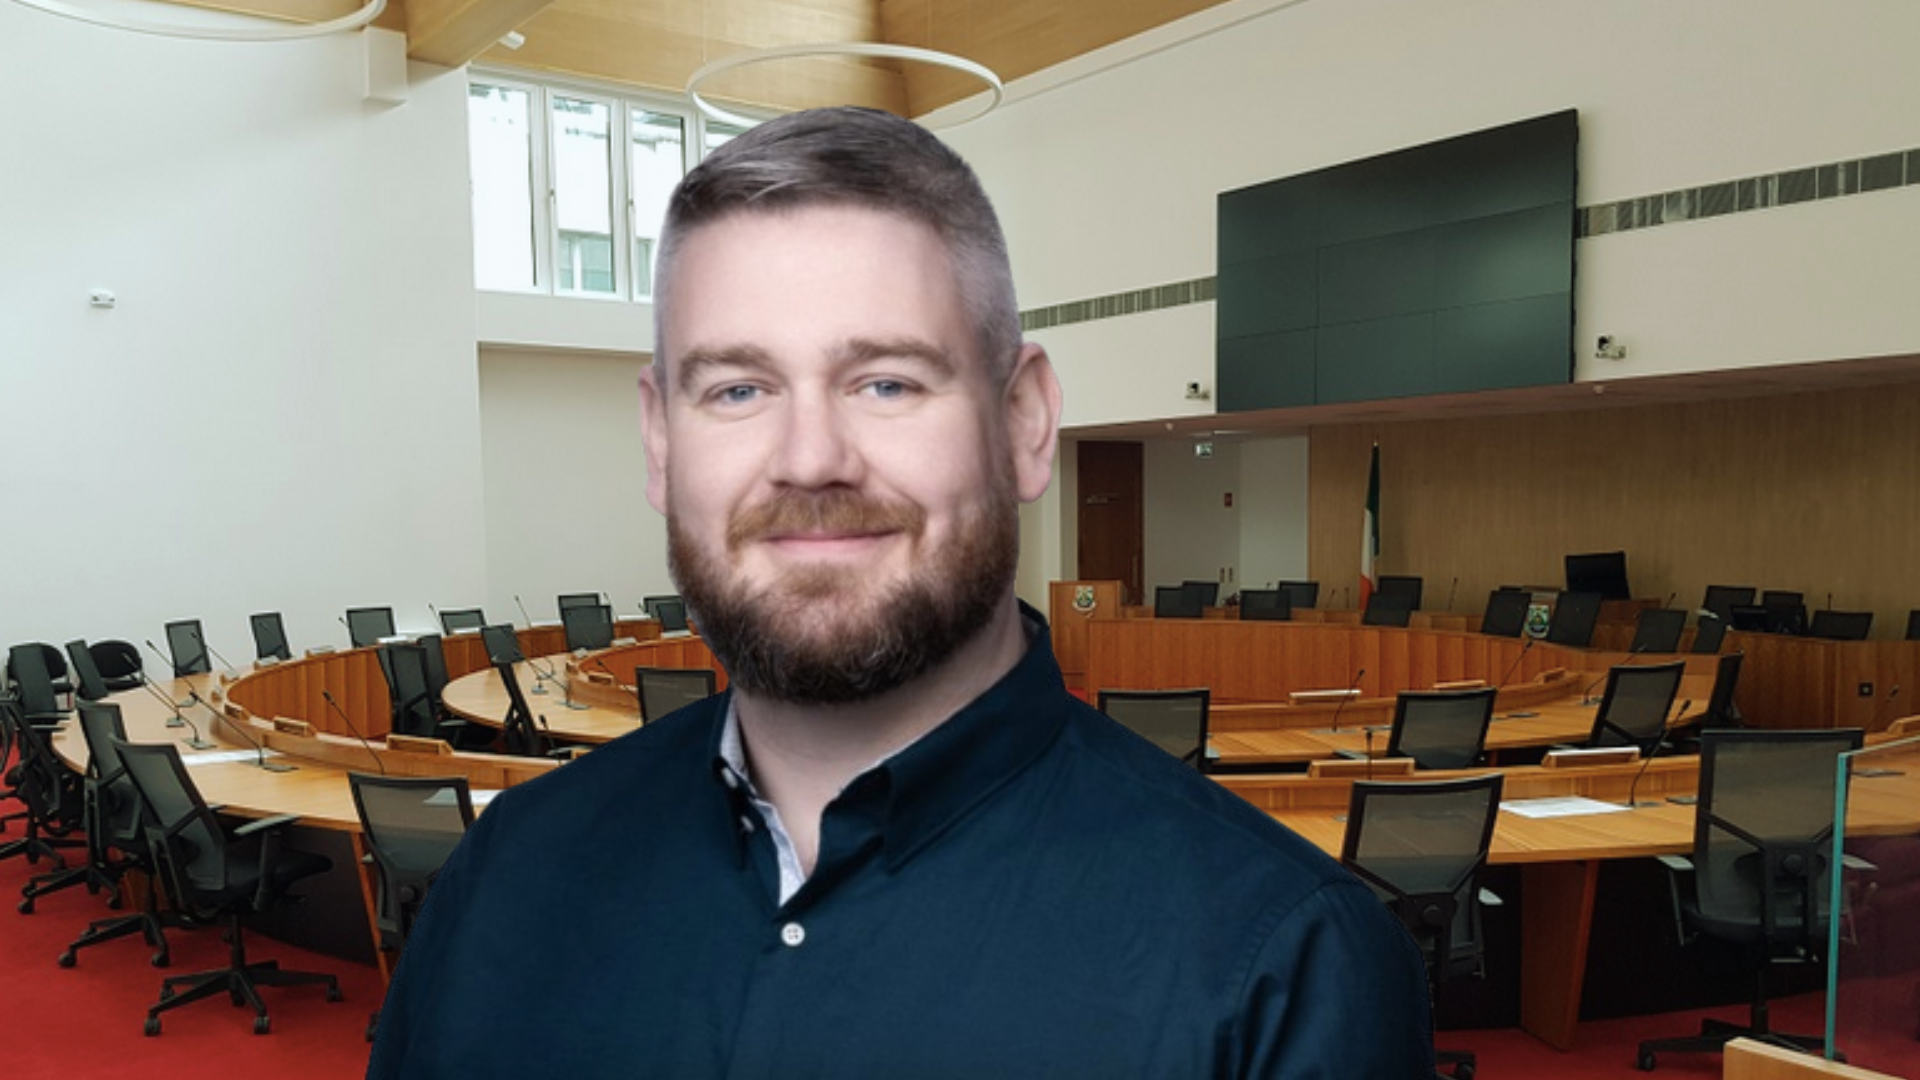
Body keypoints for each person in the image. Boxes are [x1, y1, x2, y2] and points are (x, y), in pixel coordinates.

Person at [369, 106, 1433, 1078]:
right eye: (738, 389)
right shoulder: (508, 872)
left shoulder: (1281, 967)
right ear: (660, 441)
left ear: (1023, 420)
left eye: (886, 382)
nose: (811, 459)